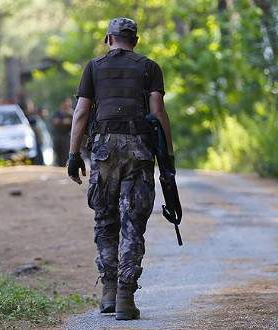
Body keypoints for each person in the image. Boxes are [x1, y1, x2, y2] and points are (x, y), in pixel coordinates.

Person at [66, 17, 175, 320]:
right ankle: (126, 297)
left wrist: (74, 155)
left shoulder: (93, 67)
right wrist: (168, 153)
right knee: (132, 223)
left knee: (105, 220)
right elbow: (158, 112)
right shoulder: (149, 67)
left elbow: (81, 113)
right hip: (139, 151)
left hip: (103, 151)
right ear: (135, 41)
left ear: (109, 39)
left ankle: (109, 294)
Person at [52, 98, 74, 166]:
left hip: (67, 136)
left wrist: (61, 122)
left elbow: (73, 123)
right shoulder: (58, 112)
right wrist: (63, 121)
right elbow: (54, 121)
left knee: (66, 152)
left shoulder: (72, 113)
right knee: (58, 151)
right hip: (58, 135)